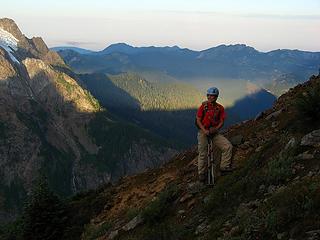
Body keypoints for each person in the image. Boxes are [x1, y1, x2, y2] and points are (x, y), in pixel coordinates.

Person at [196, 87, 233, 184]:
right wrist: (204, 130)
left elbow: (222, 121)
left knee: (227, 146)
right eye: (210, 95)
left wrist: (216, 129)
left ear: (216, 97)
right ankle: (201, 174)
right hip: (203, 132)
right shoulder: (203, 107)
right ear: (207, 96)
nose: (211, 97)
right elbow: (198, 120)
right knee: (203, 153)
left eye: (213, 96)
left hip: (214, 132)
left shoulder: (220, 108)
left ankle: (224, 166)